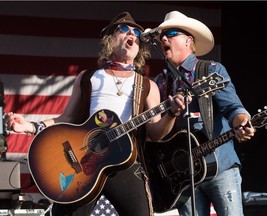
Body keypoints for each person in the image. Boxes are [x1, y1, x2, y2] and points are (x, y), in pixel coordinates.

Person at [4, 11, 187, 216]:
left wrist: (172, 114)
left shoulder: (147, 86)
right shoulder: (88, 78)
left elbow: (155, 132)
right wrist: (29, 127)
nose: (132, 34)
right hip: (81, 165)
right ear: (110, 39)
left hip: (123, 162)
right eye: (124, 29)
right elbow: (66, 119)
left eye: (136, 32)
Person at [152, 11, 256, 216]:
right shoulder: (160, 82)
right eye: (162, 35)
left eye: (171, 33)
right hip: (182, 173)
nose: (164, 38)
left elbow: (233, 108)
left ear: (188, 41)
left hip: (220, 165)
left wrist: (243, 122)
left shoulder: (211, 70)